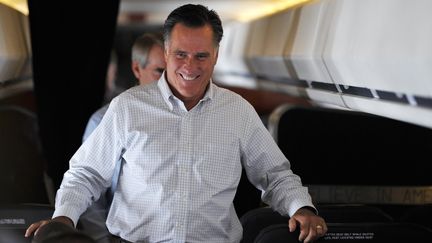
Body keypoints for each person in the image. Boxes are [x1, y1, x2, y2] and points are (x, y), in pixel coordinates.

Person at [25, 4, 327, 243]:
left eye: (201, 56)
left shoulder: (238, 112)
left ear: (216, 56)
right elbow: (86, 173)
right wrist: (64, 218)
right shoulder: (128, 108)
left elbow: (274, 174)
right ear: (167, 52)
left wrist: (300, 207)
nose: (190, 66)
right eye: (180, 54)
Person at [77, 33, 166, 243]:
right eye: (159, 71)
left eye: (171, 71)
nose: (167, 81)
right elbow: (90, 191)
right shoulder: (104, 120)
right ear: (137, 69)